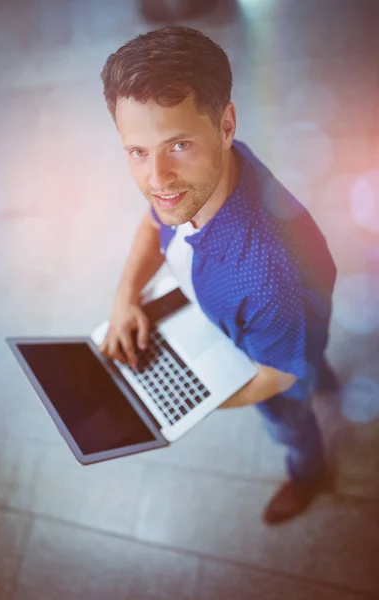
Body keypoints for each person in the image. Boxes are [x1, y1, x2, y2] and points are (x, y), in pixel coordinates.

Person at [98, 25, 338, 524]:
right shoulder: (198, 181)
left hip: (281, 343)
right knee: (309, 348)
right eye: (138, 152)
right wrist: (125, 296)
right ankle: (325, 366)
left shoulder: (268, 279)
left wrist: (178, 407)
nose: (156, 180)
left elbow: (276, 375)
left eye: (177, 145)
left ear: (227, 125)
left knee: (291, 416)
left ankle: (309, 472)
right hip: (287, 316)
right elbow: (153, 220)